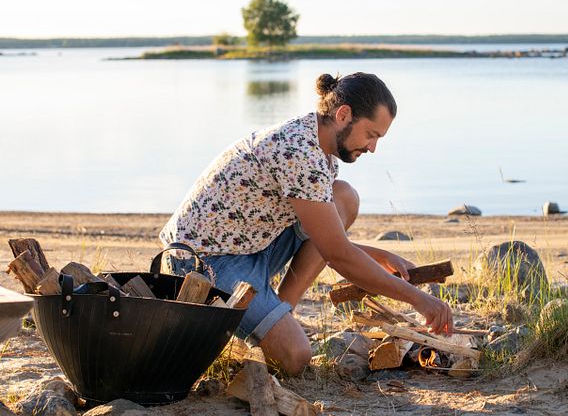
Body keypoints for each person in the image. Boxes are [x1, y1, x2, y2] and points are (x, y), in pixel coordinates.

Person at [159, 72, 453, 375]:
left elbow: (325, 235)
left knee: (343, 197)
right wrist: (419, 300)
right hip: (203, 262)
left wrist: (382, 256)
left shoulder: (321, 149)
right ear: (343, 115)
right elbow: (337, 254)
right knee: (295, 358)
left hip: (253, 247)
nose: (372, 147)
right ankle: (270, 328)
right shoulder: (298, 152)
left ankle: (280, 311)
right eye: (371, 134)